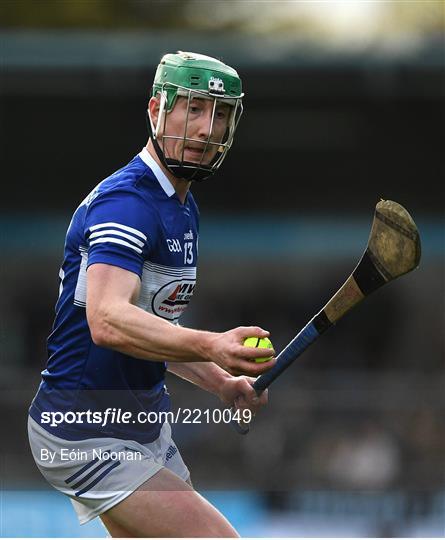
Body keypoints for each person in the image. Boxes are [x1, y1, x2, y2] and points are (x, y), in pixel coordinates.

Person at [28, 51, 276, 537]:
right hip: (84, 429)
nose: (207, 129)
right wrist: (213, 345)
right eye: (194, 108)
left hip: (139, 426)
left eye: (220, 114)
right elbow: (107, 320)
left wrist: (220, 383)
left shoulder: (182, 207)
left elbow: (151, 329)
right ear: (156, 110)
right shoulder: (129, 204)